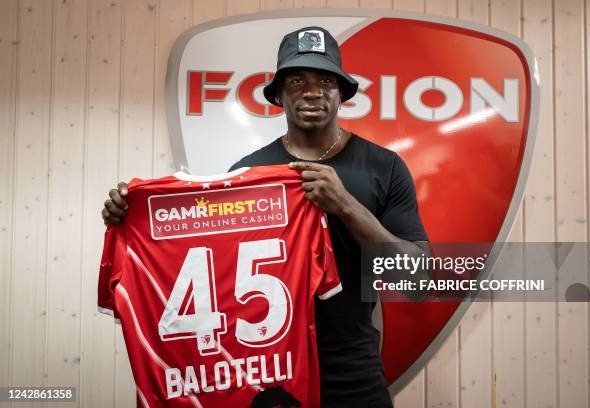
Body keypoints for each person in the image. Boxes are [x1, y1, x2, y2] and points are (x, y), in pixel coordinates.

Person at [102, 26, 429, 408]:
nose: (312, 91)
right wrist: (132, 216)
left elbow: (417, 279)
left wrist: (345, 204)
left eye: (325, 80)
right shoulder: (246, 174)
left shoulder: (384, 167)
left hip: (352, 373)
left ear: (342, 94)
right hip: (268, 374)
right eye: (297, 81)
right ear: (278, 95)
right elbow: (198, 256)